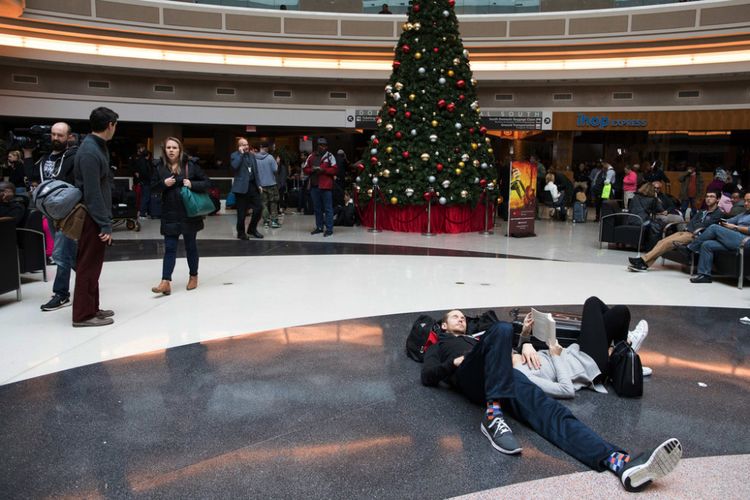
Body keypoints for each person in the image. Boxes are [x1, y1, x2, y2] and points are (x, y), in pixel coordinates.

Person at [421, 310, 682, 492]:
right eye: (455, 316)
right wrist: (452, 363)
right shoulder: (440, 346)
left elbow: (506, 346)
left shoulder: (475, 337)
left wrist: (523, 343)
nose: (461, 319)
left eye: (462, 317)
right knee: (500, 328)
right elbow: (427, 375)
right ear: (443, 326)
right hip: (471, 377)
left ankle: (618, 463)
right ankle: (492, 415)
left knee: (552, 413)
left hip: (506, 376)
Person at [513, 296, 650, 399]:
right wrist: (555, 355)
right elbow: (566, 390)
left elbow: (520, 352)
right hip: (588, 365)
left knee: (620, 312)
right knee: (594, 303)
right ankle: (625, 356)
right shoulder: (523, 376)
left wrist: (525, 334)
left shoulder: (512, 356)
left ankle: (624, 361)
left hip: (576, 351)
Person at [72, 107, 118, 328]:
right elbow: (92, 193)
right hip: (92, 219)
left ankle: (92, 308)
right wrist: (105, 224)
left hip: (95, 217)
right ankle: (82, 315)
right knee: (87, 266)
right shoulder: (90, 151)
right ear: (110, 125)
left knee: (93, 265)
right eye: (115, 125)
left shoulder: (97, 147)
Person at [150, 137, 209, 295]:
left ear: (180, 149)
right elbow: (152, 188)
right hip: (169, 213)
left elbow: (207, 183)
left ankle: (193, 276)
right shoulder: (159, 167)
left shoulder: (191, 165)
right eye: (168, 147)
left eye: (174, 147)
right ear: (164, 149)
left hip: (189, 212)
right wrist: (163, 184)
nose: (171, 150)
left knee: (190, 246)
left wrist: (192, 184)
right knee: (169, 248)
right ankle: (165, 281)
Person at [33, 122, 80, 312]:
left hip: (66, 211)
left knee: (60, 253)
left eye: (60, 135)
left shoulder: (72, 157)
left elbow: (72, 184)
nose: (55, 138)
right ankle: (88, 278)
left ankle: (61, 294)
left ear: (69, 137)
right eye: (53, 134)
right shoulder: (44, 158)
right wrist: (28, 155)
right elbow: (32, 176)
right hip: (49, 211)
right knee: (70, 254)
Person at [628, 190, 722, 272]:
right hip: (687, 231)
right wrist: (690, 227)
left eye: (712, 197)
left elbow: (705, 225)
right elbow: (692, 222)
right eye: (707, 196)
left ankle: (643, 261)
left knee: (668, 243)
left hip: (696, 236)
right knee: (661, 241)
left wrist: (693, 227)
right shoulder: (702, 212)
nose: (708, 199)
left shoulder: (718, 213)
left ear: (718, 199)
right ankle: (644, 264)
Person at [684, 192, 750, 283]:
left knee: (714, 228)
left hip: (746, 241)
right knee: (707, 244)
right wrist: (723, 222)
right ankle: (705, 275)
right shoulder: (744, 214)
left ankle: (690, 248)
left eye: (749, 201)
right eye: (745, 201)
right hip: (735, 239)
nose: (746, 204)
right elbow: (729, 221)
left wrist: (735, 227)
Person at [230, 137, 263, 240]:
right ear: (239, 146)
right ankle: (241, 233)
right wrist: (240, 154)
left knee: (259, 208)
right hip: (241, 188)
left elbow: (255, 171)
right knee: (242, 212)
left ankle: (252, 229)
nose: (246, 146)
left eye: (247, 144)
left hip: (252, 186)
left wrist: (259, 184)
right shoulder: (234, 155)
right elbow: (235, 167)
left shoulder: (252, 156)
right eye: (243, 144)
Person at [303, 137, 337, 236]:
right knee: (317, 208)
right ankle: (319, 227)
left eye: (325, 145)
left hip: (326, 187)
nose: (323, 147)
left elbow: (335, 169)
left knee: (328, 209)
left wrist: (323, 170)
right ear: (317, 146)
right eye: (321, 145)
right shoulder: (311, 156)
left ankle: (329, 229)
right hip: (314, 186)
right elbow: (305, 168)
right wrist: (312, 170)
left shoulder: (330, 156)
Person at [255, 143, 280, 229]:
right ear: (267, 149)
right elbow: (275, 170)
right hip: (271, 184)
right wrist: (277, 162)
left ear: (260, 148)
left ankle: (265, 222)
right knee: (273, 203)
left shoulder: (255, 158)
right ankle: (274, 221)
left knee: (264, 204)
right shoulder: (270, 157)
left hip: (261, 185)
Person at [130, 144, 153, 219]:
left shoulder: (140, 160)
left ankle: (143, 213)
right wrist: (150, 177)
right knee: (145, 197)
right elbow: (144, 172)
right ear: (147, 155)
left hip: (143, 181)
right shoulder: (144, 162)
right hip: (145, 181)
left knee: (144, 197)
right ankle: (142, 214)